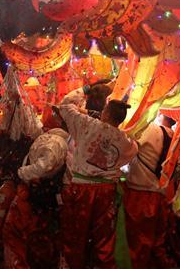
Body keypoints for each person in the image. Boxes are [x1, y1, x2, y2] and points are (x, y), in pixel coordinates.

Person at [55, 98, 137, 269]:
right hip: (107, 191)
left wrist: (85, 96)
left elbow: (66, 104)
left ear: (105, 112)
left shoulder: (87, 124)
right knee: (104, 239)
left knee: (75, 236)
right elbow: (132, 151)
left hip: (82, 188)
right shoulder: (125, 141)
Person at [3, 113, 68, 268]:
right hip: (40, 197)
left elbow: (43, 166)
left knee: (23, 239)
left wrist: (21, 173)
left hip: (35, 197)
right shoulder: (57, 141)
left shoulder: (54, 141)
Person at [123, 118, 175, 269]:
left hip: (139, 194)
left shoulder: (147, 129)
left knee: (137, 243)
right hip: (161, 194)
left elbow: (125, 151)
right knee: (157, 243)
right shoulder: (175, 135)